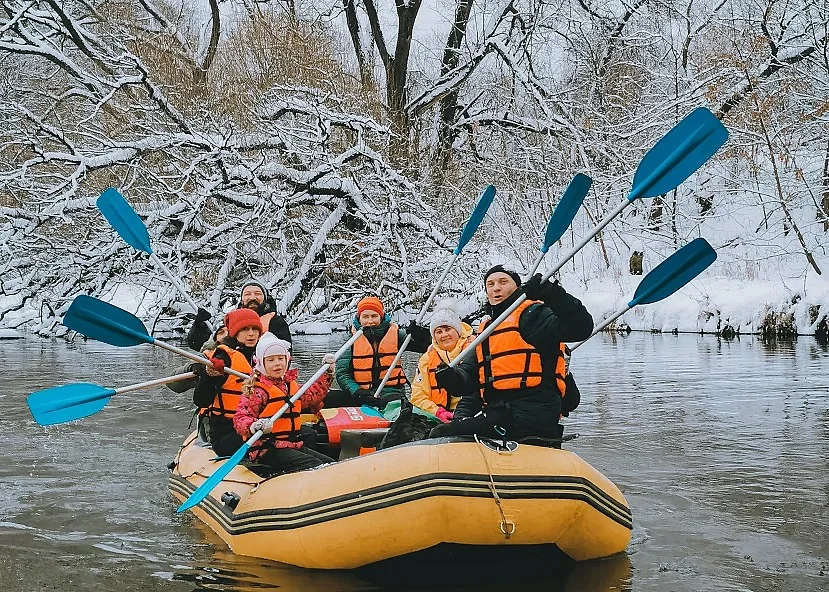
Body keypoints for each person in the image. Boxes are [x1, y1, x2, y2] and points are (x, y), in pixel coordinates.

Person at [429, 265, 593, 442]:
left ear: (517, 287)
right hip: (500, 416)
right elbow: (466, 383)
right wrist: (450, 378)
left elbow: (581, 328)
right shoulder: (485, 331)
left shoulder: (534, 315)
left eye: (503, 282)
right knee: (442, 431)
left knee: (442, 434)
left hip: (535, 414)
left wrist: (552, 294)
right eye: (490, 284)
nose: (496, 288)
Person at [233, 333, 335, 474]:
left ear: (287, 360)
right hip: (267, 449)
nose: (277, 363)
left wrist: (327, 373)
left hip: (290, 444)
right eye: (271, 360)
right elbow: (240, 418)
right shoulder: (256, 390)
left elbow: (313, 396)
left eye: (281, 358)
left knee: (330, 464)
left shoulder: (289, 385)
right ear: (261, 363)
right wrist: (255, 425)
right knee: (315, 465)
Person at [332, 296, 429, 409]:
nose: (370, 321)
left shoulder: (397, 335)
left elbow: (425, 346)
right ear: (359, 318)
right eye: (365, 317)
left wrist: (419, 334)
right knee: (330, 398)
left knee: (393, 405)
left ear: (381, 317)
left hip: (391, 392)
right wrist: (357, 392)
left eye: (374, 316)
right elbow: (342, 374)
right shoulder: (352, 340)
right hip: (362, 394)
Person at [192, 308, 263, 456]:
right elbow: (200, 400)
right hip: (227, 432)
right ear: (235, 332)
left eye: (255, 329)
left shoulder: (265, 355)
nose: (251, 334)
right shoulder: (224, 358)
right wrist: (209, 375)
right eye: (245, 329)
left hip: (258, 426)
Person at [410, 303, 473, 422]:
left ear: (458, 331)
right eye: (439, 332)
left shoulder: (474, 349)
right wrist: (438, 412)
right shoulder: (427, 359)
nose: (444, 335)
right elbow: (418, 396)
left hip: (469, 412)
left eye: (448, 329)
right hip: (439, 415)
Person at [186, 281, 291, 351]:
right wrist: (198, 325)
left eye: (258, 293)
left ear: (265, 298)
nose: (252, 297)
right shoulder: (231, 320)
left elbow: (285, 353)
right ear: (242, 299)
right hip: (231, 371)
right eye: (247, 294)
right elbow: (197, 345)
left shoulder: (276, 322)